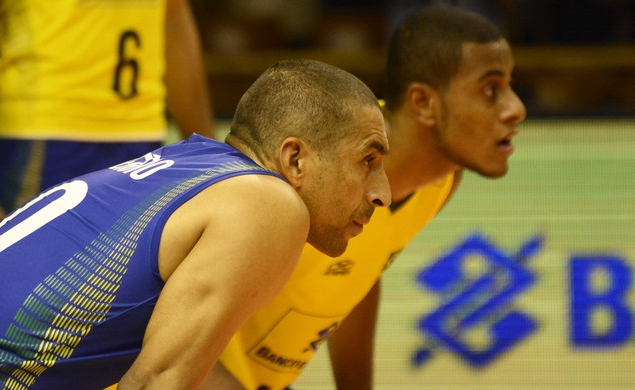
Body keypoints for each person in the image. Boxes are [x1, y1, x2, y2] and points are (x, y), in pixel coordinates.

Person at [0, 59, 391, 389]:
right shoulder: (270, 204)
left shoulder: (191, 165)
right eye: (367, 160)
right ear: (295, 158)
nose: (382, 193)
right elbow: (154, 383)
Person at [203, 5, 527, 389]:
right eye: (490, 90)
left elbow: (360, 273)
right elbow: (153, 328)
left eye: (509, 86)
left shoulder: (440, 183)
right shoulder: (317, 172)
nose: (515, 109)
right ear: (423, 102)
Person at [0, 0, 216, 246]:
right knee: (24, 289)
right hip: (38, 139)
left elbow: (173, 16)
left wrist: (209, 159)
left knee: (128, 293)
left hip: (141, 138)